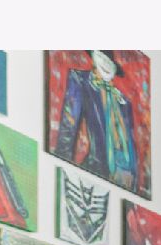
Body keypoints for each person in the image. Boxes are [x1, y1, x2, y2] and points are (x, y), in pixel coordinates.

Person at [53, 51, 139, 192]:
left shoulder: (123, 101)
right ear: (94, 58)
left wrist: (132, 181)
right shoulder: (80, 81)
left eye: (109, 62)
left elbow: (130, 145)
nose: (105, 64)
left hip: (125, 177)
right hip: (97, 174)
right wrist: (63, 170)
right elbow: (68, 129)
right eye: (102, 59)